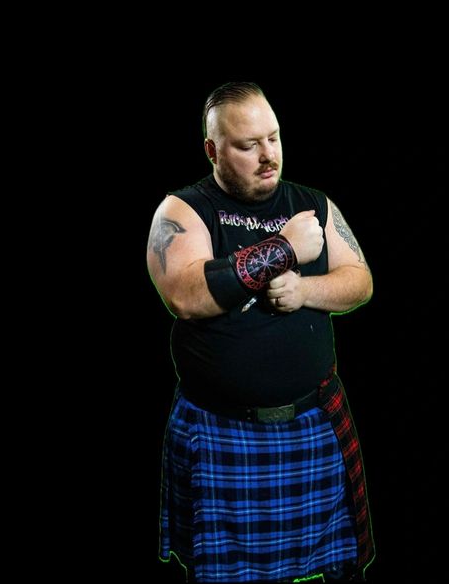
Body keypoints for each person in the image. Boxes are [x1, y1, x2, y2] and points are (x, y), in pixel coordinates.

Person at [147, 82, 375, 583]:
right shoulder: (183, 210)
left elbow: (360, 282)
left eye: (273, 138)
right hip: (221, 432)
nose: (268, 155)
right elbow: (185, 296)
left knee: (338, 570)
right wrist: (285, 249)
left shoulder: (313, 204)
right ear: (213, 151)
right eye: (248, 145)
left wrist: (306, 290)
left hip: (314, 423)